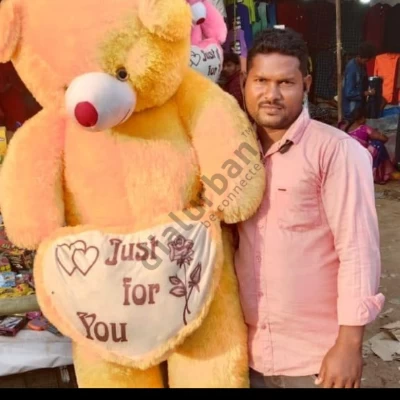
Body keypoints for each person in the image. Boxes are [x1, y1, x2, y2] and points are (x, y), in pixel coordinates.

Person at [235, 27, 384, 389]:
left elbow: (358, 251)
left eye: (285, 83)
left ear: (305, 85)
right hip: (247, 351)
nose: (271, 94)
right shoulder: (234, 153)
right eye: (261, 81)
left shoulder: (336, 152)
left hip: (314, 358)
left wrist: (348, 345)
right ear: (244, 83)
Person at [339, 107, 394, 185]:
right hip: (361, 158)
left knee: (371, 144)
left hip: (347, 157)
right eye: (365, 118)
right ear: (361, 118)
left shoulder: (345, 127)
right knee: (378, 144)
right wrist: (376, 135)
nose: (366, 120)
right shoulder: (364, 128)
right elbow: (384, 139)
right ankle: (377, 176)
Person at [342, 42, 377, 121]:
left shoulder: (361, 65)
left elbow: (363, 82)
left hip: (358, 107)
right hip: (351, 110)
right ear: (360, 57)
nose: (367, 62)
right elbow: (349, 93)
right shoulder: (352, 69)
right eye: (366, 60)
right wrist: (366, 93)